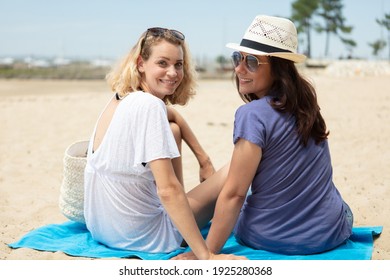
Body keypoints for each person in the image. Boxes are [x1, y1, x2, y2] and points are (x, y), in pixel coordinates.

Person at [173, 15, 353, 259]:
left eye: (252, 62)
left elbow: (235, 194)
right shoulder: (306, 104)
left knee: (234, 181)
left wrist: (207, 253)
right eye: (238, 58)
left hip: (270, 238)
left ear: (278, 68)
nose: (239, 68)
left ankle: (176, 217)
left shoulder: (251, 115)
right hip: (330, 232)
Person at [83, 27, 245, 260]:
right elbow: (168, 190)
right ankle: (181, 219)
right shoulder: (149, 106)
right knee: (236, 166)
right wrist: (206, 257)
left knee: (173, 130)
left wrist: (203, 160)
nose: (173, 73)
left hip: (103, 229)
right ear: (141, 63)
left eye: (178, 64)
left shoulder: (122, 98)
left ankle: (182, 210)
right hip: (144, 237)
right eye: (163, 63)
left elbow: (174, 117)